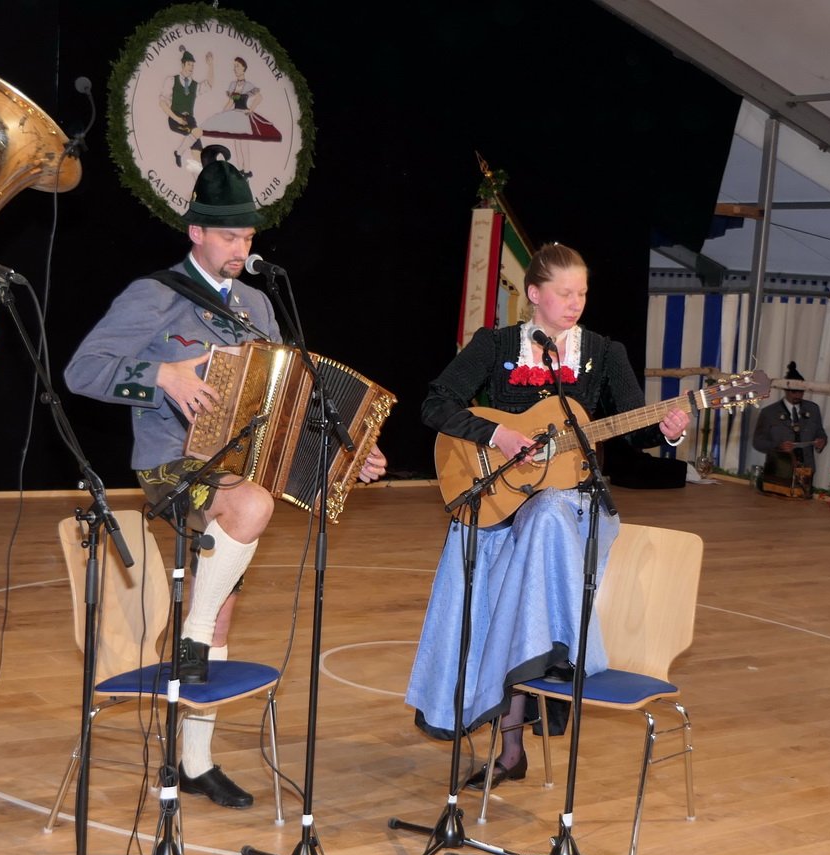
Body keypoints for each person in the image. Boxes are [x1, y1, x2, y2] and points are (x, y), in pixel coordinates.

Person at [65, 151, 385, 809]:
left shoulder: (259, 304)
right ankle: (192, 631)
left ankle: (195, 762)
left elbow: (287, 398)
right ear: (197, 233)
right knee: (252, 506)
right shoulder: (153, 295)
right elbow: (82, 370)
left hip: (238, 462)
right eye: (230, 236)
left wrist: (344, 454)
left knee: (227, 592)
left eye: (248, 237)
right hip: (169, 461)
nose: (242, 248)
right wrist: (161, 375)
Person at [405, 243, 689, 789]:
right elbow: (436, 403)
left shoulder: (603, 352)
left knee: (548, 516)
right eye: (564, 293)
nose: (576, 303)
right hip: (498, 507)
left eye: (582, 293)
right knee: (522, 555)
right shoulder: (494, 345)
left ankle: (518, 734)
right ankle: (512, 744)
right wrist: (498, 434)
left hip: (568, 514)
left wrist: (666, 431)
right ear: (533, 294)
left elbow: (634, 428)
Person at [753, 360, 828, 479]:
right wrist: (778, 446)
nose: (798, 395)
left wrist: (821, 441)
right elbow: (758, 442)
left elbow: (820, 432)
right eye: (794, 391)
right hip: (779, 469)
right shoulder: (769, 413)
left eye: (801, 391)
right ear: (785, 389)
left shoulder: (813, 409)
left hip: (806, 470)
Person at [159, 46, 212, 171]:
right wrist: (177, 118)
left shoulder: (194, 85)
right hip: (176, 117)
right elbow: (163, 103)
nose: (191, 67)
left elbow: (209, 85)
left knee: (198, 152)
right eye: (189, 64)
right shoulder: (172, 80)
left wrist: (210, 65)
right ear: (183, 64)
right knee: (198, 132)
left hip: (190, 120)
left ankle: (199, 178)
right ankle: (179, 153)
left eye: (193, 65)